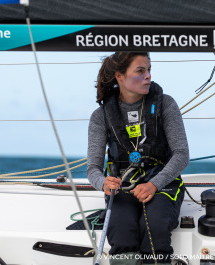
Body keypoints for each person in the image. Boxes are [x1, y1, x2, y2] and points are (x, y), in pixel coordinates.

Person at [87, 52, 189, 265]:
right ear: (119, 76)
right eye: (140, 71)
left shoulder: (166, 105)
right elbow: (93, 169)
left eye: (149, 70)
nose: (148, 76)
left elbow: (182, 155)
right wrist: (103, 182)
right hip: (123, 186)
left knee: (154, 226)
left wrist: (153, 185)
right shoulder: (100, 117)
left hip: (163, 184)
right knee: (121, 229)